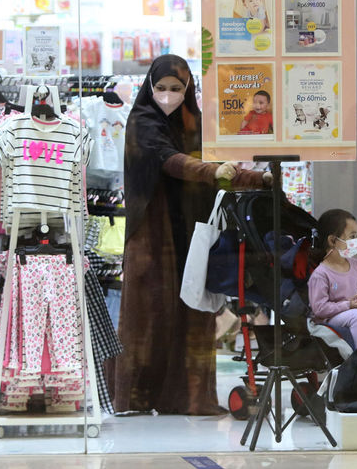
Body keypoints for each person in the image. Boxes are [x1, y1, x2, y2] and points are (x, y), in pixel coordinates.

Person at [109, 54, 271, 415]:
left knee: (192, 307)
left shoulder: (196, 124)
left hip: (193, 229)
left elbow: (220, 167)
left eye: (176, 88)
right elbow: (169, 160)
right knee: (148, 310)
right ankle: (136, 396)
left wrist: (258, 178)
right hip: (151, 231)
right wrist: (213, 173)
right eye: (162, 88)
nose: (168, 95)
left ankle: (187, 396)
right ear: (151, 88)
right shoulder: (142, 121)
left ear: (188, 89)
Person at [309, 209, 357, 353]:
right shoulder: (321, 273)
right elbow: (319, 309)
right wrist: (348, 305)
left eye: (356, 236)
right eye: (351, 237)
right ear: (332, 240)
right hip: (328, 321)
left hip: (353, 311)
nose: (355, 242)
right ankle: (356, 360)